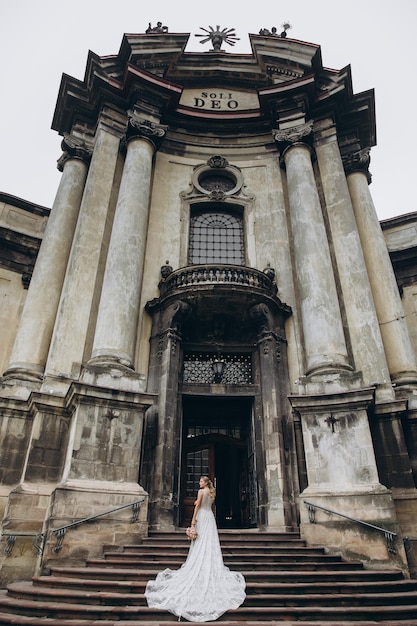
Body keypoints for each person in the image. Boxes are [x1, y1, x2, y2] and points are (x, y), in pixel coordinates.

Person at [145, 476, 246, 621]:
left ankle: (199, 562)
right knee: (208, 541)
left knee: (200, 542)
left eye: (201, 481)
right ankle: (209, 561)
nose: (199, 483)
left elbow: (197, 506)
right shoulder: (211, 492)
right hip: (210, 518)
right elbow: (207, 505)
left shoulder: (200, 492)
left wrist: (193, 520)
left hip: (202, 517)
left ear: (205, 483)